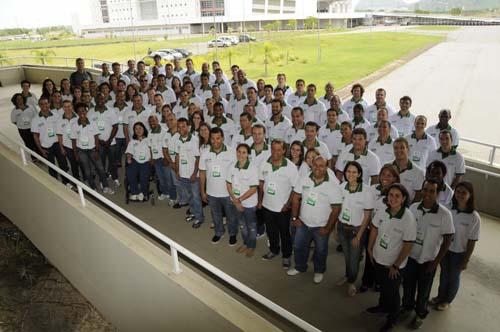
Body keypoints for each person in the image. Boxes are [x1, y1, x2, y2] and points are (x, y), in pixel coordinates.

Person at [402, 179, 455, 330]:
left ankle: (420, 314)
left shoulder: (445, 215)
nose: (427, 194)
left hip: (428, 260)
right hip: (410, 257)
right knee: (408, 286)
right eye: (425, 189)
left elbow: (448, 239)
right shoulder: (413, 208)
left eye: (432, 191)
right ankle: (406, 307)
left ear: (438, 194)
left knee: (423, 291)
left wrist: (436, 261)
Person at [367, 183, 417, 332]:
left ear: (403, 199)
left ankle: (392, 319)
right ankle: (382, 307)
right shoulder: (383, 210)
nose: (393, 198)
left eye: (397, 196)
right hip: (378, 258)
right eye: (390, 195)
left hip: (393, 266)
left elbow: (408, 244)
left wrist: (396, 265)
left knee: (393, 293)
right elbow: (375, 229)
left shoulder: (408, 218)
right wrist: (370, 249)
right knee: (383, 287)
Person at [288, 156, 342, 283]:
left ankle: (319, 270)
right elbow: (295, 198)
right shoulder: (305, 178)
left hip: (321, 226)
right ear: (311, 165)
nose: (318, 168)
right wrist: (295, 217)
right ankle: (300, 267)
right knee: (299, 246)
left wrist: (328, 228)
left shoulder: (333, 185)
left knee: (321, 250)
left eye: (321, 165)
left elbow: (336, 209)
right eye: (315, 165)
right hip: (303, 223)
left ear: (327, 166)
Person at [431, 181, 480, 311]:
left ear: (470, 195)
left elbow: (472, 241)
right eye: (458, 192)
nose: (460, 195)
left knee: (453, 277)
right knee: (444, 275)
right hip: (445, 249)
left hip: (459, 252)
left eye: (464, 193)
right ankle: (440, 296)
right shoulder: (449, 209)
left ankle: (447, 300)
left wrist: (466, 260)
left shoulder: (474, 217)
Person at [360, 164, 401, 293]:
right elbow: (368, 208)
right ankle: (367, 281)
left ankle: (379, 281)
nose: (385, 177)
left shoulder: (396, 193)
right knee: (370, 255)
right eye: (383, 174)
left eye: (389, 175)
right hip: (370, 228)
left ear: (395, 178)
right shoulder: (372, 189)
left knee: (381, 258)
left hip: (386, 232)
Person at [336, 161, 374, 296]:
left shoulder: (366, 191)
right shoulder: (341, 187)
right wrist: (336, 228)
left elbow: (367, 215)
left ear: (359, 174)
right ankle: (347, 275)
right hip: (342, 227)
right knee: (347, 256)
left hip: (356, 230)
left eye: (354, 172)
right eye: (348, 172)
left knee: (354, 258)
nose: (350, 174)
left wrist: (359, 236)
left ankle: (351, 281)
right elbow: (338, 208)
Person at [258, 139, 298, 268]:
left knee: (285, 233)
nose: (275, 152)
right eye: (273, 149)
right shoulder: (265, 164)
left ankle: (286, 256)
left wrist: (288, 204)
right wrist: (260, 201)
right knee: (271, 231)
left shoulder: (291, 167)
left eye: (279, 150)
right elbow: (261, 183)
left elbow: (295, 188)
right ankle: (274, 250)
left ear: (284, 151)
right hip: (267, 206)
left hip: (283, 208)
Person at [199, 127, 237, 239]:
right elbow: (202, 173)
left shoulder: (232, 152)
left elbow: (237, 173)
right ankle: (219, 232)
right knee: (216, 215)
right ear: (210, 139)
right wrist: (202, 191)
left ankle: (233, 233)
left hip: (228, 192)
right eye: (213, 139)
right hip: (212, 192)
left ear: (223, 138)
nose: (215, 141)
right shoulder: (205, 154)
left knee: (231, 216)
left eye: (218, 138)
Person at [70, 102, 113, 194]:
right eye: (79, 111)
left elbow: (96, 138)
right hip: (81, 151)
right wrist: (75, 154)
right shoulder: (74, 125)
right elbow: (73, 141)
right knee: (87, 171)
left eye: (83, 110)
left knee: (100, 168)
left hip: (93, 149)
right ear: (77, 112)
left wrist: (97, 150)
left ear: (86, 111)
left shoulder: (93, 123)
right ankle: (93, 188)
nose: (82, 112)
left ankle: (106, 186)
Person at [226, 143, 259, 257]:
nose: (241, 154)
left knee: (251, 226)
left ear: (248, 154)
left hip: (248, 203)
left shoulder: (252, 168)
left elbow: (253, 189)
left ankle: (252, 246)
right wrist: (235, 201)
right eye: (239, 151)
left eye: (244, 152)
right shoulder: (232, 166)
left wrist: (238, 200)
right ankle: (246, 243)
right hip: (236, 202)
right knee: (242, 225)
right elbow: (228, 184)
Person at [31, 97, 69, 182]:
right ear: (39, 105)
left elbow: (61, 131)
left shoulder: (56, 116)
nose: (44, 105)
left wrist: (62, 145)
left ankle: (66, 182)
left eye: (46, 103)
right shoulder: (35, 119)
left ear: (49, 104)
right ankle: (54, 182)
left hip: (57, 144)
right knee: (51, 166)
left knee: (63, 164)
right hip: (45, 146)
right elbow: (35, 136)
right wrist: (41, 149)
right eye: (41, 104)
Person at [174, 118, 204, 226]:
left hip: (193, 175)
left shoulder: (194, 140)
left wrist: (194, 173)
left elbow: (198, 158)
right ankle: (193, 213)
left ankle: (200, 218)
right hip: (183, 174)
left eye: (183, 126)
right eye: (179, 126)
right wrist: (177, 171)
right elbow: (177, 157)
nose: (181, 129)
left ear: (188, 127)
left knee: (196, 197)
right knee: (189, 196)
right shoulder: (177, 140)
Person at [88, 93, 119, 186]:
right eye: (98, 99)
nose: (100, 100)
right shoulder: (90, 112)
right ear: (95, 100)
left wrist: (109, 140)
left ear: (105, 99)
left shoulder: (111, 111)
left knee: (113, 162)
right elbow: (90, 129)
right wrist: (99, 141)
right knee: (100, 163)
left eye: (102, 98)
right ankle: (102, 179)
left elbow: (115, 126)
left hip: (111, 142)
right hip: (98, 143)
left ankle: (115, 178)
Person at [392, 137, 425, 203]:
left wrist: (409, 209)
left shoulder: (418, 172)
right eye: (396, 148)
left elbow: (419, 195)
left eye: (402, 148)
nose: (398, 150)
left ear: (408, 149)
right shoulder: (388, 168)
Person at [125, 122, 152, 201]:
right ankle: (135, 192)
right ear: (134, 131)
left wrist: (152, 158)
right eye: (136, 129)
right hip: (135, 161)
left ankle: (143, 193)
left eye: (140, 128)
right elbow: (129, 152)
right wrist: (129, 158)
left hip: (146, 161)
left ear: (144, 129)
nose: (138, 130)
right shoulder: (132, 141)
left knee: (144, 176)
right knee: (130, 172)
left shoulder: (148, 139)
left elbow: (152, 150)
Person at [56, 100, 80, 182]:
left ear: (72, 106)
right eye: (65, 107)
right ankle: (76, 180)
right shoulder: (59, 120)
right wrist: (61, 148)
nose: (67, 108)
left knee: (78, 162)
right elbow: (59, 135)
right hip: (67, 146)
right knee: (73, 163)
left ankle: (81, 177)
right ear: (63, 108)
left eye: (69, 106)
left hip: (78, 144)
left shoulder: (77, 117)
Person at [148, 115, 170, 201]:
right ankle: (164, 193)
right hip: (156, 159)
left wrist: (166, 158)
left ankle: (170, 193)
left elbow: (167, 146)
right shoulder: (150, 132)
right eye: (150, 121)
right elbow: (150, 146)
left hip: (163, 158)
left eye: (154, 121)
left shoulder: (164, 131)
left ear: (157, 120)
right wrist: (152, 157)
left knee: (167, 177)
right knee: (160, 178)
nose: (152, 123)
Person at [162, 113, 182, 207]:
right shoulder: (166, 134)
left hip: (182, 163)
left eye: (171, 120)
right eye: (167, 120)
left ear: (176, 120)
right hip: (172, 163)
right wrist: (172, 163)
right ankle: (178, 199)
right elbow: (165, 150)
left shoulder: (181, 133)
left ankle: (184, 199)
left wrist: (177, 164)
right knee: (174, 182)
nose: (169, 122)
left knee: (184, 183)